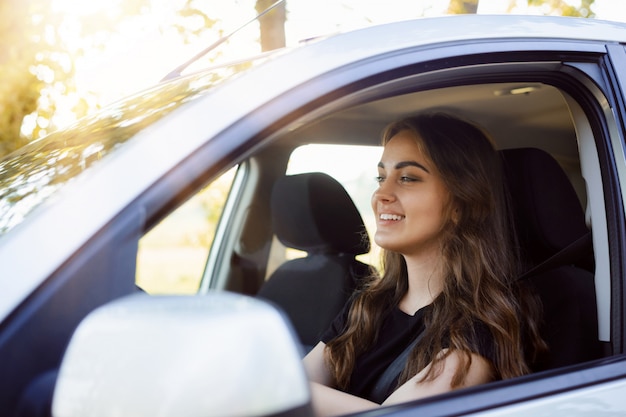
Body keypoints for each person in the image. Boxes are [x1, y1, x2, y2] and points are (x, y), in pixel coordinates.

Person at [303, 113, 545, 417]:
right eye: (382, 177)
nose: (381, 194)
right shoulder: (368, 305)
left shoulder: (486, 323)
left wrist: (293, 392)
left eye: (407, 178)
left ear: (461, 203)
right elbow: (283, 391)